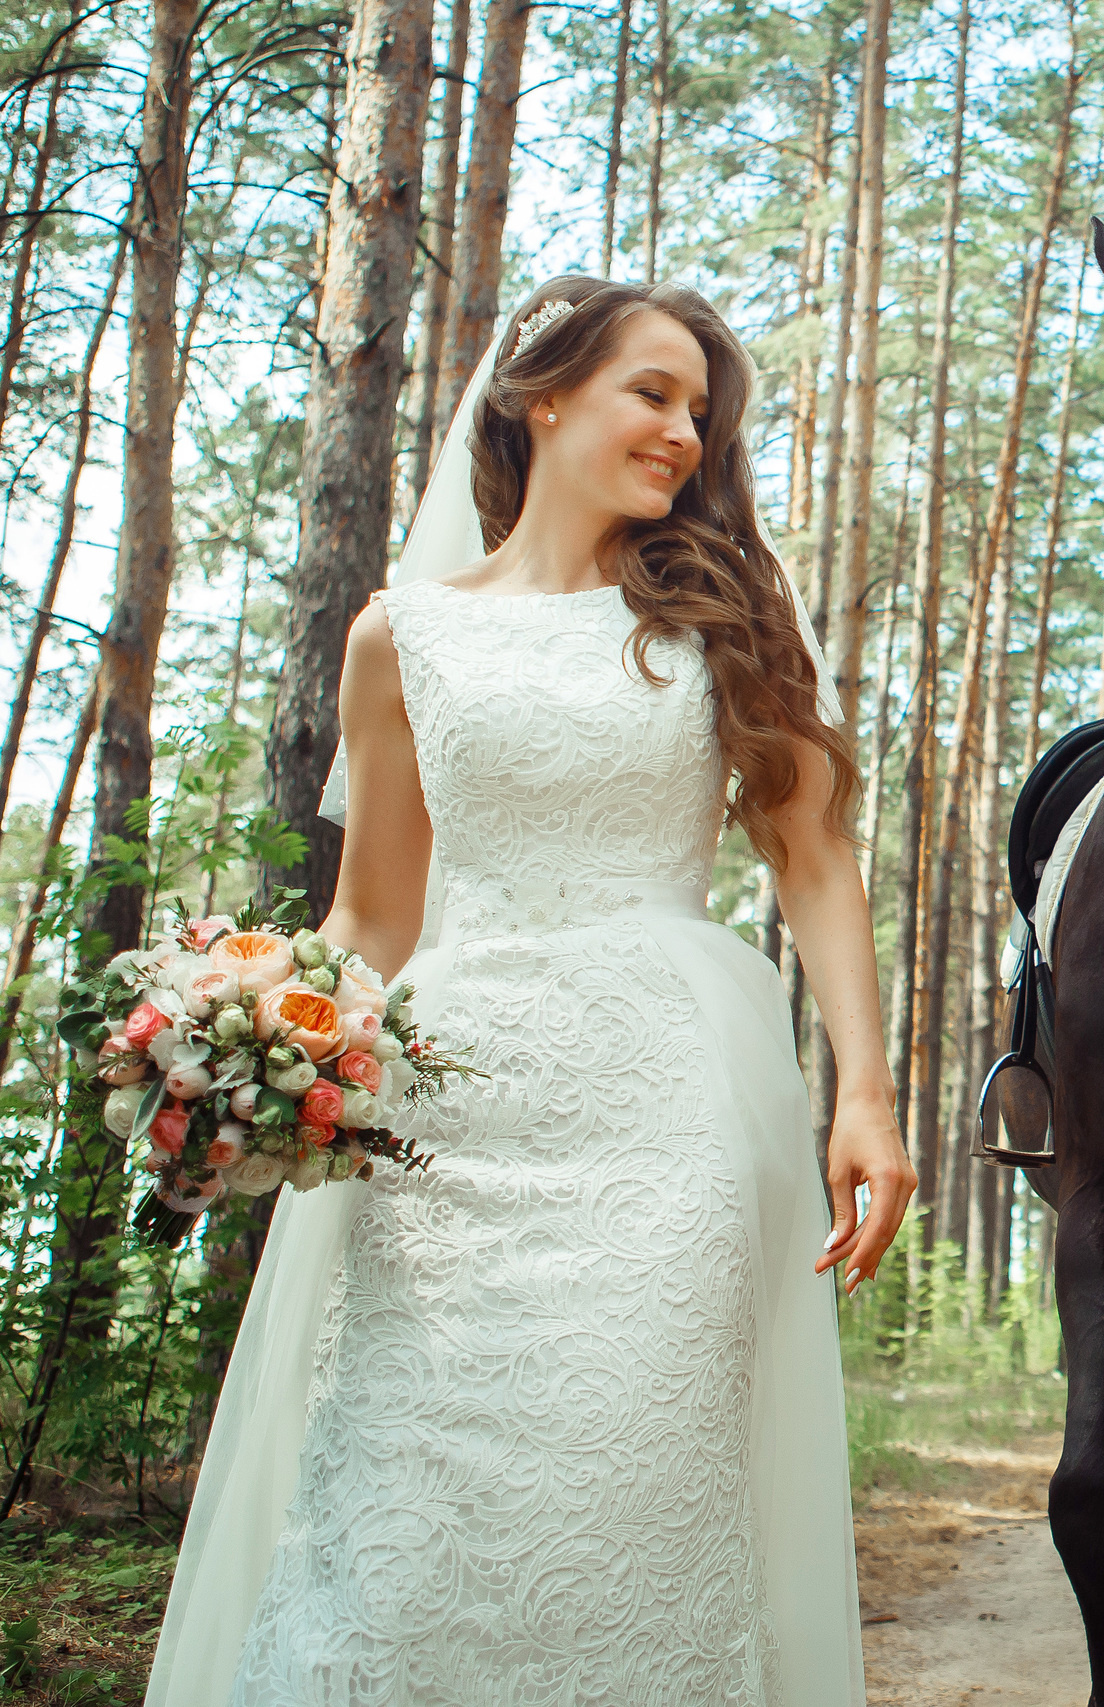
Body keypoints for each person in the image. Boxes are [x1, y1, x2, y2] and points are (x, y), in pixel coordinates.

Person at [145, 277, 916, 1707]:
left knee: (637, 1494)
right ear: (545, 395)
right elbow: (374, 909)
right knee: (404, 1500)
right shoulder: (402, 636)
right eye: (653, 393)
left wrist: (864, 1095)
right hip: (444, 1121)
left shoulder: (720, 615)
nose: (685, 433)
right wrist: (247, 1058)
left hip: (666, 1118)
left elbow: (811, 858)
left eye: (700, 410)